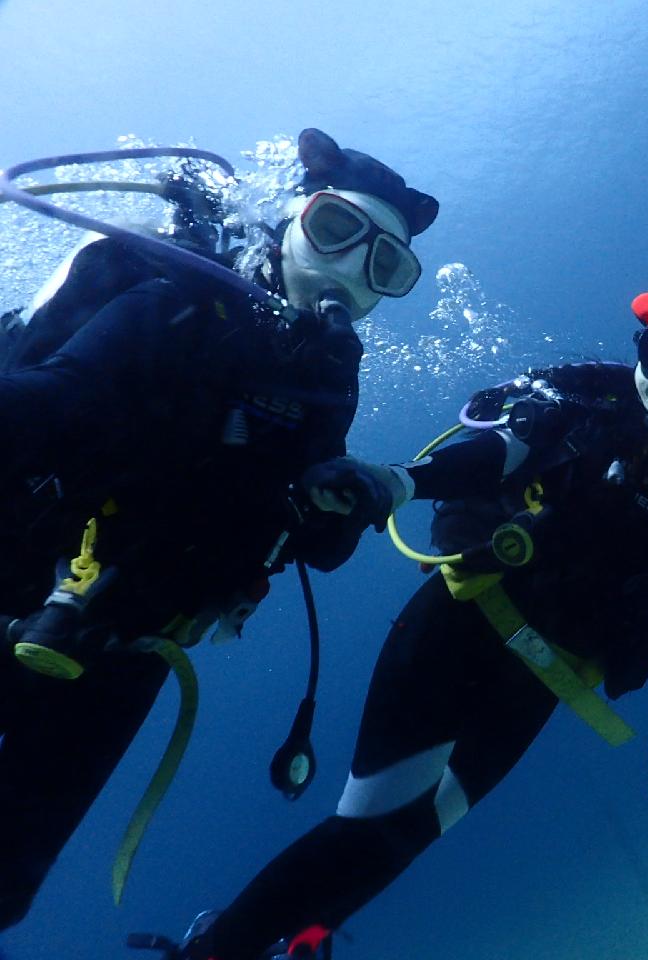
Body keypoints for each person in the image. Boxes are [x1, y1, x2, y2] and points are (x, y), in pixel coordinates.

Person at [171, 288, 648, 960]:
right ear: (639, 348)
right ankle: (215, 949)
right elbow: (500, 451)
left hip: (546, 678)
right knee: (364, 825)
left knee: (411, 835)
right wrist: (401, 481)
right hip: (461, 627)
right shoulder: (579, 400)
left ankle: (304, 938)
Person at [0, 128, 438, 930]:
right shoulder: (175, 298)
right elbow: (54, 401)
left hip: (129, 654)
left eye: (383, 265)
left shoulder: (329, 376)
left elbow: (318, 543)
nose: (348, 269)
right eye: (337, 231)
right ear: (294, 218)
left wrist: (330, 495)